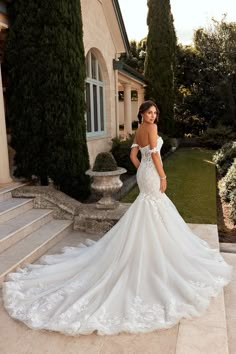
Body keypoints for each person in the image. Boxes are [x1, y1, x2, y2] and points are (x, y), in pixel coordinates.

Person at [3, 100, 232, 336]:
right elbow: (154, 155)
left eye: (155, 113)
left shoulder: (139, 129)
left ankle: (151, 247)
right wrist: (162, 176)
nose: (153, 116)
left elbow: (135, 155)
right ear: (142, 114)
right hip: (153, 173)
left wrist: (142, 168)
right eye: (149, 113)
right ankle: (155, 251)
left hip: (145, 173)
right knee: (154, 208)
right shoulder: (150, 129)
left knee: (149, 209)